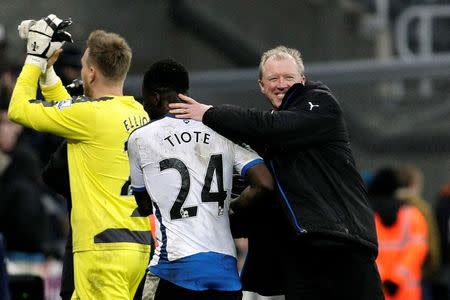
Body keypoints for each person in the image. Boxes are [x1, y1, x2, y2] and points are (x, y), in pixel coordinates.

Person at [169, 45, 384, 299]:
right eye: (273, 78)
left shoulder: (320, 103)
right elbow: (266, 194)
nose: (281, 84)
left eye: (288, 77)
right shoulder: (266, 141)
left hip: (342, 246)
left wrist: (208, 113)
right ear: (261, 85)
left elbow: (271, 126)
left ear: (302, 80)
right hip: (299, 255)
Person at [8, 14, 151, 299]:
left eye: (84, 65)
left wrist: (35, 58)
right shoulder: (138, 112)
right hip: (136, 247)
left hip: (103, 251)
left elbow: (18, 109)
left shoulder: (90, 116)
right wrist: (49, 72)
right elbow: (70, 112)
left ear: (91, 73)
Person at [127, 59, 274, 300]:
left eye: (145, 100)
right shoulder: (221, 129)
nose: (144, 106)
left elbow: (144, 206)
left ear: (154, 97)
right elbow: (265, 183)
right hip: (225, 273)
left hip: (174, 268)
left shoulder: (141, 138)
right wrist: (230, 208)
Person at [368, 167, 428, 300]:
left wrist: (382, 277)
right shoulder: (413, 215)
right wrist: (397, 278)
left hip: (377, 290)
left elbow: (367, 251)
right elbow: (418, 250)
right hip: (407, 293)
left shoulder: (367, 217)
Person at [396, 164, 441, 299]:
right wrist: (432, 270)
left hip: (389, 276)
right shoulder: (422, 209)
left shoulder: (385, 207)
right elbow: (432, 245)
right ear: (414, 184)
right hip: (418, 275)